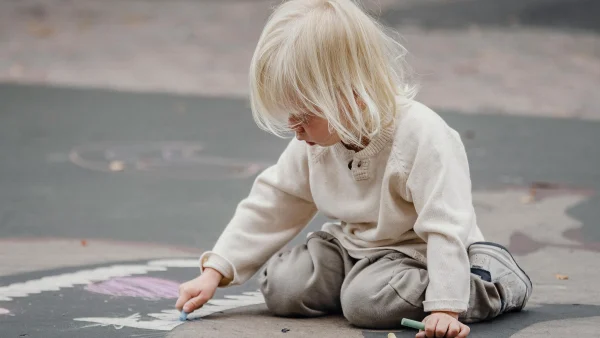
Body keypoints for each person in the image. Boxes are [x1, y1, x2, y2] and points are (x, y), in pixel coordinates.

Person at [176, 0, 532, 337]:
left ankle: (489, 281)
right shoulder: (316, 141)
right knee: (282, 285)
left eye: (303, 116)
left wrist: (445, 308)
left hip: (419, 252)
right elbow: (276, 200)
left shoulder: (422, 136)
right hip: (354, 249)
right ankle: (360, 290)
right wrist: (215, 271)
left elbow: (445, 226)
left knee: (367, 302)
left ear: (352, 94)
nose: (293, 128)